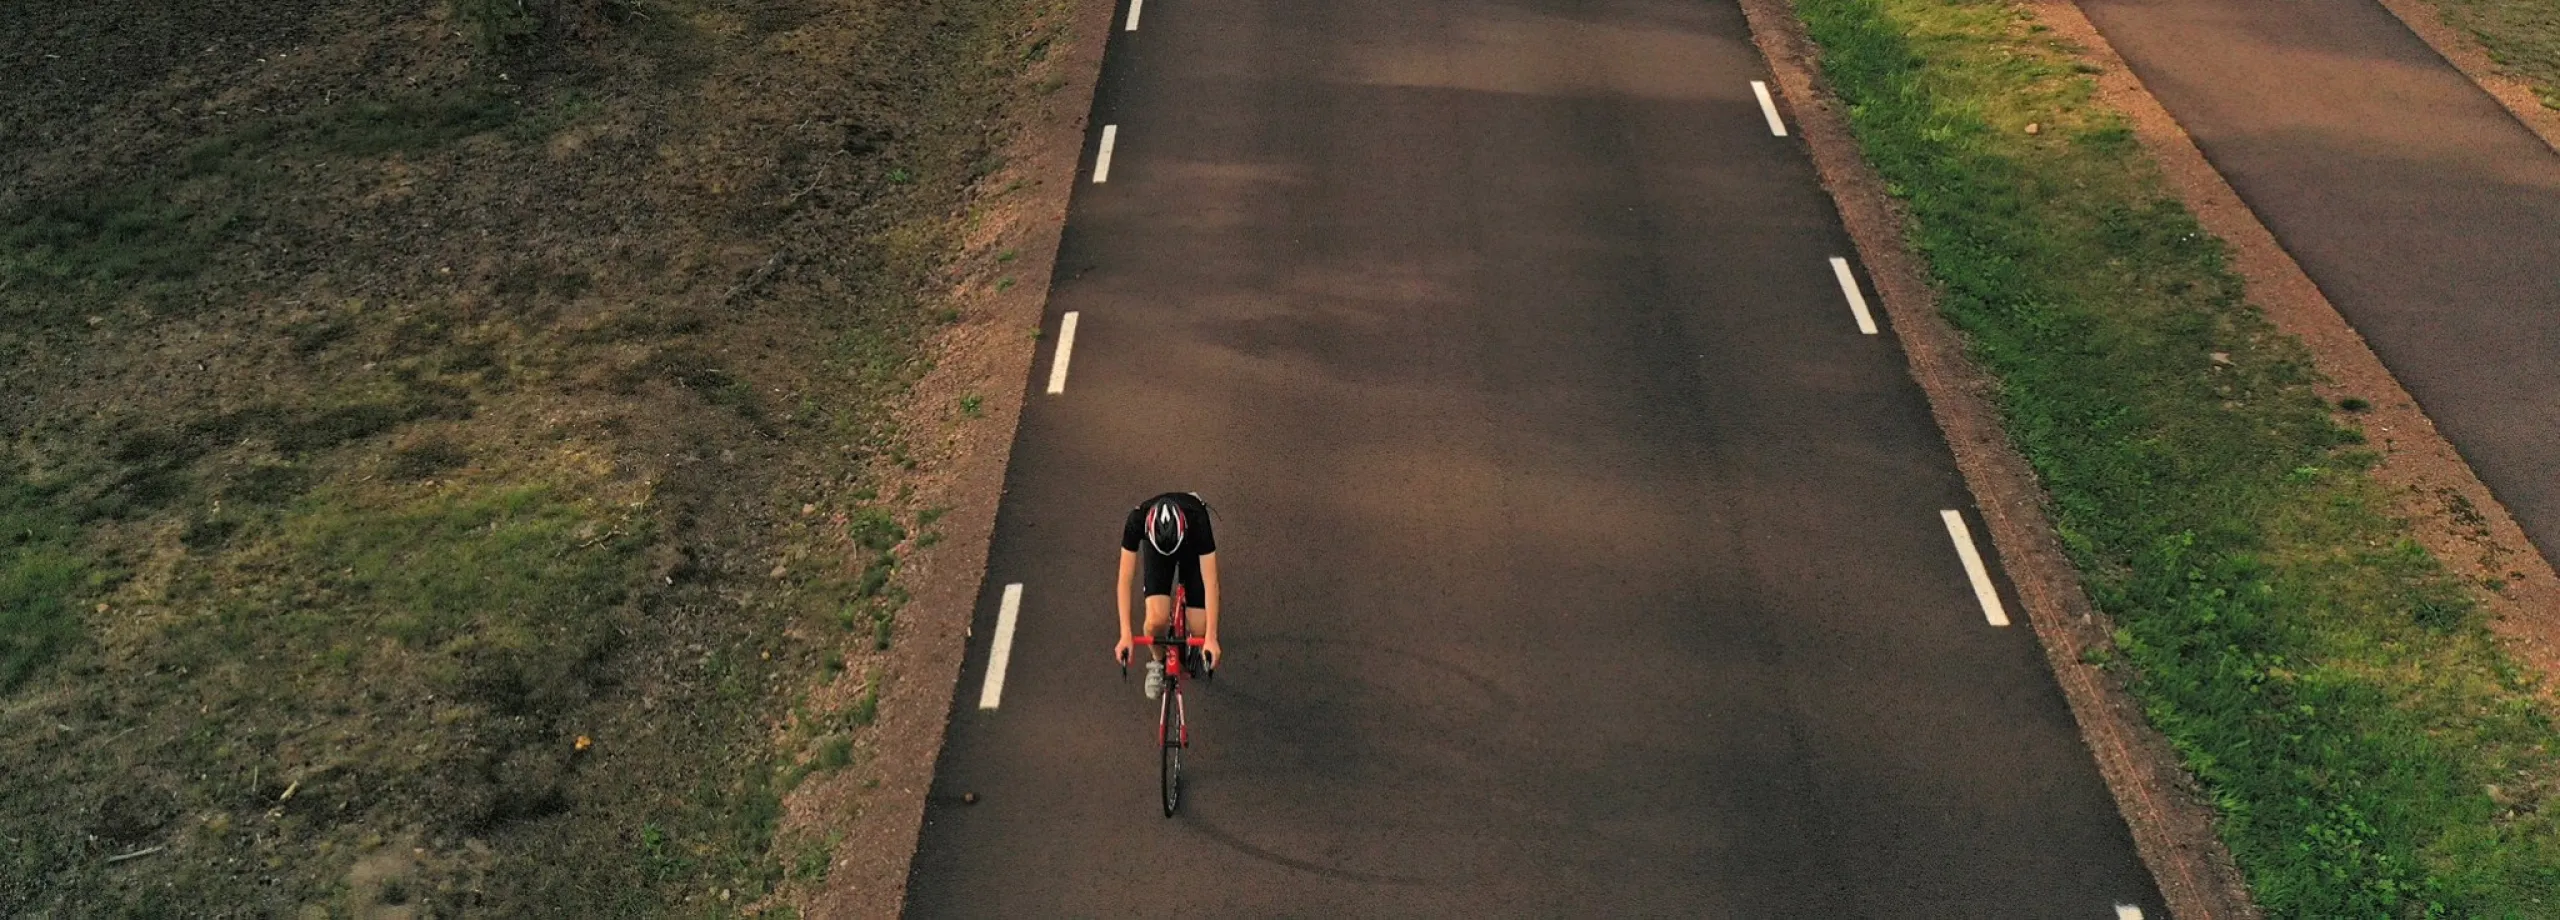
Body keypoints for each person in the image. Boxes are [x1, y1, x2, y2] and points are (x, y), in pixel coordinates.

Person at [1113, 492, 1221, 699]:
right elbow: (1124, 580)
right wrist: (1125, 633)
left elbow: (1211, 582)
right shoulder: (1137, 520)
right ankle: (1157, 660)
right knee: (1155, 621)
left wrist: (1211, 637)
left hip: (1191, 546)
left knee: (1200, 627)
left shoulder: (1198, 520)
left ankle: (1195, 636)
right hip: (1157, 551)